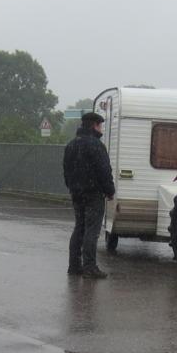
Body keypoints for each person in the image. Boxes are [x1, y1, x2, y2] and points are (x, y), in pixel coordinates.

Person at [63, 110, 115, 278]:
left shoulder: (71, 144)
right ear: (95, 125)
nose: (101, 130)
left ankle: (74, 266)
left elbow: (66, 170)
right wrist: (110, 190)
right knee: (92, 230)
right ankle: (90, 267)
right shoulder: (96, 145)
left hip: (76, 193)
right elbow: (104, 171)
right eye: (100, 126)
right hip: (94, 193)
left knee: (79, 227)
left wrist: (72, 186)